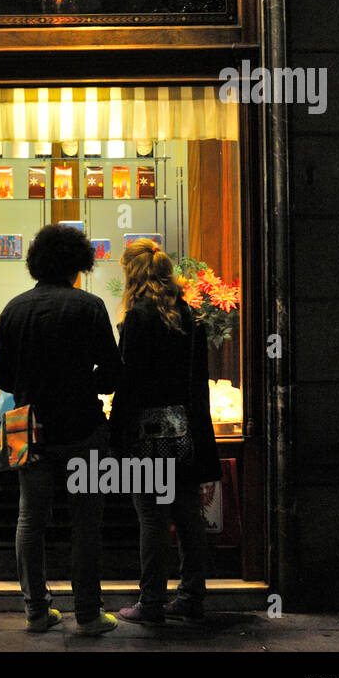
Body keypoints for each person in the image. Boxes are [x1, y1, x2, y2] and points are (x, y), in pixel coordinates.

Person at [0, 224, 122, 635]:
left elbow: (1, 376)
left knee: (29, 520)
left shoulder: (14, 308)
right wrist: (91, 384)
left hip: (25, 429)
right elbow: (112, 373)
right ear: (79, 263)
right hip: (83, 427)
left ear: (36, 263)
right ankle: (88, 613)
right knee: (86, 522)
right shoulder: (91, 306)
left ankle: (35, 610)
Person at [110, 238, 222, 624]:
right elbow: (198, 383)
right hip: (186, 430)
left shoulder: (137, 318)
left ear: (132, 273)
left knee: (152, 516)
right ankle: (191, 595)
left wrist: (116, 433)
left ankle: (152, 601)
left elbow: (128, 384)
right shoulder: (188, 315)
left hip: (147, 434)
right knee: (188, 513)